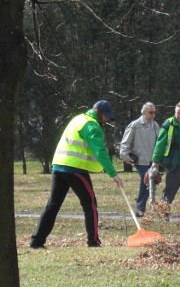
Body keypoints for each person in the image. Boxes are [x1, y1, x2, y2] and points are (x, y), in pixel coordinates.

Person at [30, 100, 124, 248]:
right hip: (75, 169)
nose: (106, 120)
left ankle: (36, 242)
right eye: (106, 116)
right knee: (90, 204)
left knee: (52, 206)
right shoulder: (92, 126)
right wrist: (113, 174)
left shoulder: (78, 119)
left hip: (58, 166)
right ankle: (93, 242)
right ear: (99, 113)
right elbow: (100, 151)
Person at [119, 102, 160, 217]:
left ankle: (143, 206)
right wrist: (125, 155)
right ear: (143, 112)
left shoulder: (156, 125)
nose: (153, 115)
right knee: (147, 179)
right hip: (140, 160)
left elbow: (160, 142)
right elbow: (125, 142)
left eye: (154, 112)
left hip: (152, 161)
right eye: (150, 112)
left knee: (151, 182)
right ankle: (140, 207)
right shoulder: (135, 125)